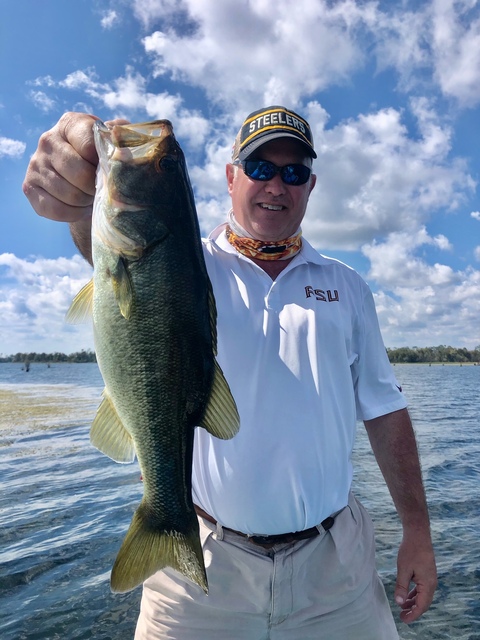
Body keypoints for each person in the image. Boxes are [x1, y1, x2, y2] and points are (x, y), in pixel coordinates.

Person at [24, 105, 437, 639]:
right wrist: (78, 188)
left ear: (310, 186)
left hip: (337, 570)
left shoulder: (348, 287)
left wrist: (419, 532)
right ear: (230, 177)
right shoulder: (187, 262)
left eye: (293, 172)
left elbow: (383, 409)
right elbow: (109, 252)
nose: (276, 184)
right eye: (260, 167)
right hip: (199, 564)